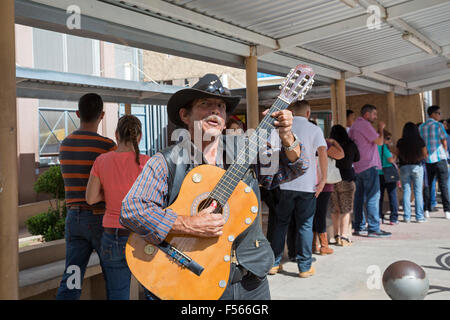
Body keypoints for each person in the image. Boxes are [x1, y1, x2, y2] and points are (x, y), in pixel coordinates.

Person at [119, 74, 308, 300]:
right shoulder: (166, 161)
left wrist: (288, 137)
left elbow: (295, 167)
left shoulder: (245, 151)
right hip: (194, 281)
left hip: (251, 281)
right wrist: (189, 224)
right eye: (205, 104)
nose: (215, 111)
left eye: (220, 106)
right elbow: (132, 210)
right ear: (185, 115)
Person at [56, 93, 117, 299]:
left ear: (78, 113)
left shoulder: (64, 145)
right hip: (99, 219)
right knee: (112, 276)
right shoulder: (108, 147)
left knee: (72, 276)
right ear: (102, 115)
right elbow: (113, 186)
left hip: (74, 219)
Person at [85, 115, 150, 299]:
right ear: (140, 136)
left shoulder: (101, 161)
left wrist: (110, 193)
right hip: (142, 235)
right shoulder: (148, 162)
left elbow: (90, 198)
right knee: (153, 292)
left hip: (112, 236)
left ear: (116, 135)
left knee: (117, 294)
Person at [270, 100, 328, 278]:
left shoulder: (281, 128)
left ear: (291, 112)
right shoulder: (315, 129)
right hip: (308, 185)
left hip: (285, 184)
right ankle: (304, 267)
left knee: (280, 224)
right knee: (305, 225)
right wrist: (323, 179)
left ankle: (274, 263)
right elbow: (323, 153)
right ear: (308, 113)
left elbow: (270, 151)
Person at [349, 104, 392, 238]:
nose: (376, 117)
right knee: (373, 196)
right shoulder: (365, 125)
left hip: (358, 166)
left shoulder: (354, 126)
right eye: (374, 114)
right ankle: (373, 228)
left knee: (359, 198)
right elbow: (379, 141)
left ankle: (359, 226)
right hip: (368, 165)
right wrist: (380, 128)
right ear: (367, 114)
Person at [312, 137, 344, 255]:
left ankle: (313, 245)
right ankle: (324, 246)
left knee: (312, 214)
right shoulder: (322, 142)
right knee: (320, 214)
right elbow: (340, 154)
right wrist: (334, 142)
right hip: (324, 184)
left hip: (308, 183)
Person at [329, 124, 360, 246]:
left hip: (332, 180)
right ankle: (345, 236)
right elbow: (357, 158)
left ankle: (336, 235)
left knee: (335, 209)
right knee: (346, 210)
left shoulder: (330, 146)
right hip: (347, 179)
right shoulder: (351, 145)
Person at [419, 105, 450, 220]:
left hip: (427, 160)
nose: (439, 115)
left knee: (427, 185)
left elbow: (421, 144)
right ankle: (447, 211)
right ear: (432, 114)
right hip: (440, 158)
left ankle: (426, 210)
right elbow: (444, 141)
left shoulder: (421, 127)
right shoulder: (439, 125)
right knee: (444, 185)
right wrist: (445, 152)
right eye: (438, 113)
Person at [394, 122, 427, 223]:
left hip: (404, 167)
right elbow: (425, 154)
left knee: (406, 192)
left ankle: (407, 217)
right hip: (417, 166)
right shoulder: (420, 141)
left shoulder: (401, 141)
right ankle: (419, 217)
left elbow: (396, 153)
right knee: (418, 192)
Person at [378, 130, 399, 225]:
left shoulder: (374, 146)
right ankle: (393, 218)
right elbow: (390, 160)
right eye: (388, 139)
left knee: (379, 197)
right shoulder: (384, 147)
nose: (389, 141)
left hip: (378, 173)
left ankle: (379, 216)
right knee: (392, 195)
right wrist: (395, 156)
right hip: (388, 172)